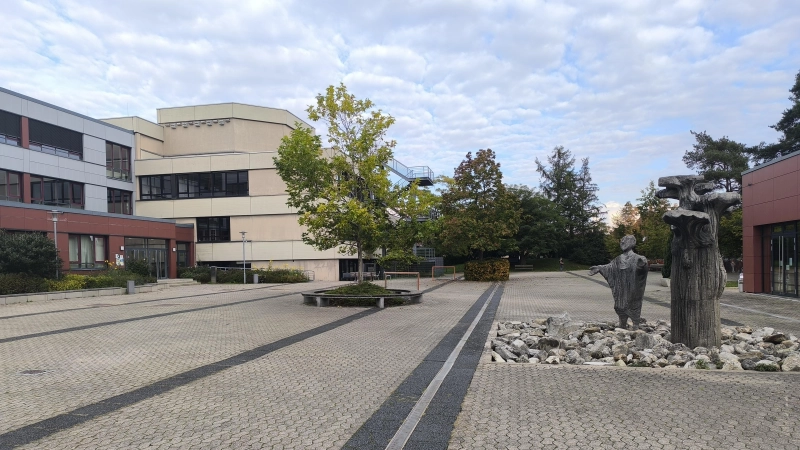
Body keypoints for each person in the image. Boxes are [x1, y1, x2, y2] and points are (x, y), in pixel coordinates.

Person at [589, 235, 648, 329]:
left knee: (634, 307)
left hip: (633, 290)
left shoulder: (638, 258)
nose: (622, 242)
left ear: (632, 242)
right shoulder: (618, 259)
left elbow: (642, 271)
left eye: (625, 240)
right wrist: (599, 268)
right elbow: (609, 267)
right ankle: (622, 324)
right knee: (620, 307)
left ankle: (636, 326)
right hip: (621, 290)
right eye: (621, 240)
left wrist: (642, 266)